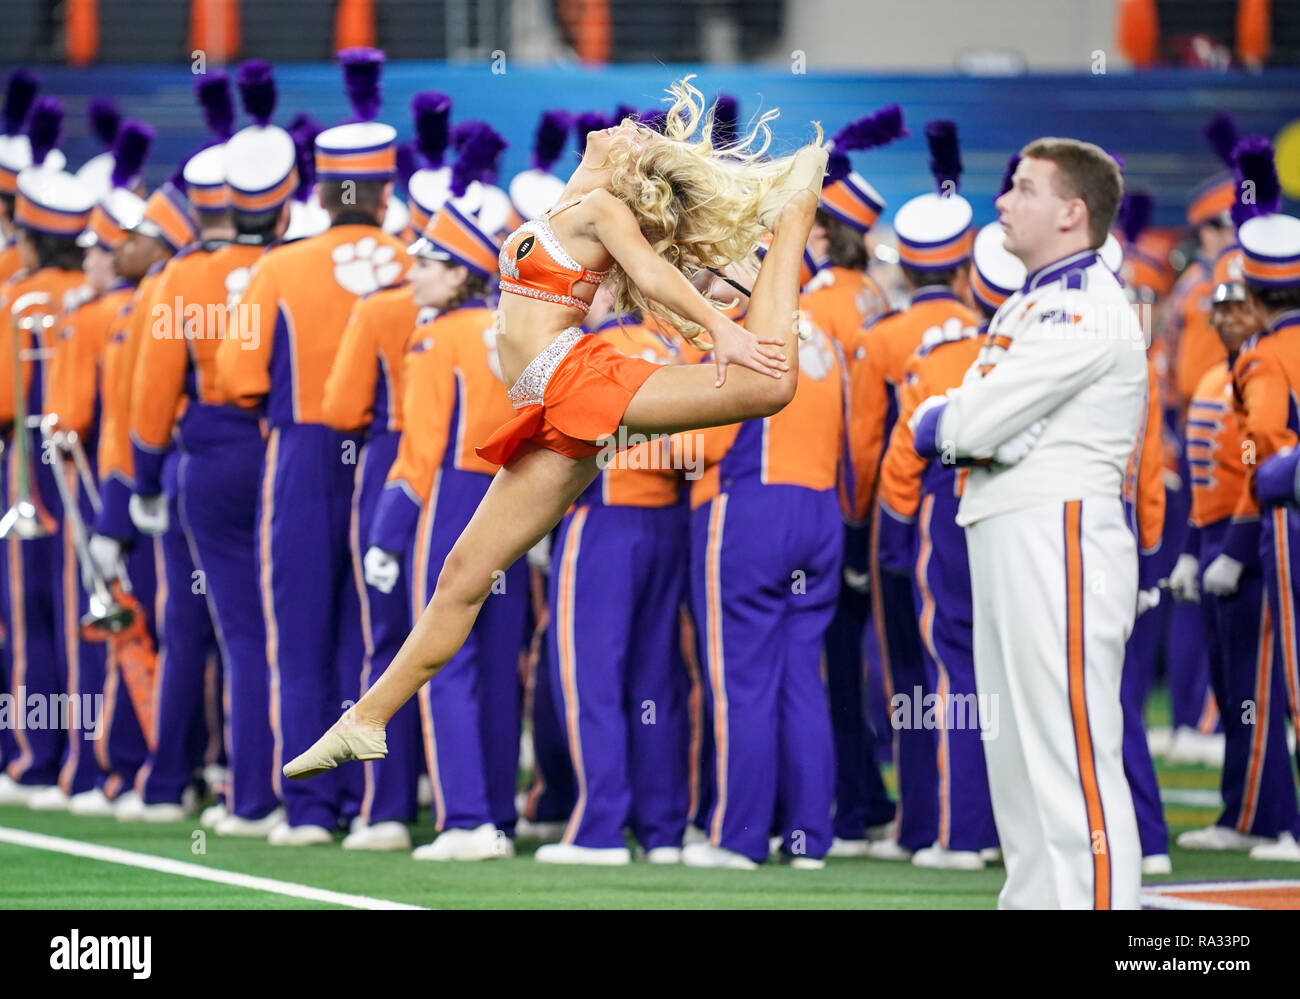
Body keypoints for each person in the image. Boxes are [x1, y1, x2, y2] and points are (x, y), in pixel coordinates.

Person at [282, 77, 826, 779]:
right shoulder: (573, 195)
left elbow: (652, 275)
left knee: (769, 383)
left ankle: (796, 211)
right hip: (550, 405)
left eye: (642, 135)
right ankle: (367, 720)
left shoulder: (600, 206)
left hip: (575, 380)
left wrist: (721, 327)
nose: (632, 124)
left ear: (629, 167)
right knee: (462, 575)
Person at [909, 138, 1144, 909]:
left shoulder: (1083, 302)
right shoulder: (1034, 297)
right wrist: (972, 423)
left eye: (1024, 189)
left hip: (1062, 534)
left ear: (1073, 214)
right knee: (1017, 756)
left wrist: (962, 423)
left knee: (1069, 748)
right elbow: (980, 422)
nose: (1003, 201)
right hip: (1014, 527)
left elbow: (970, 422)